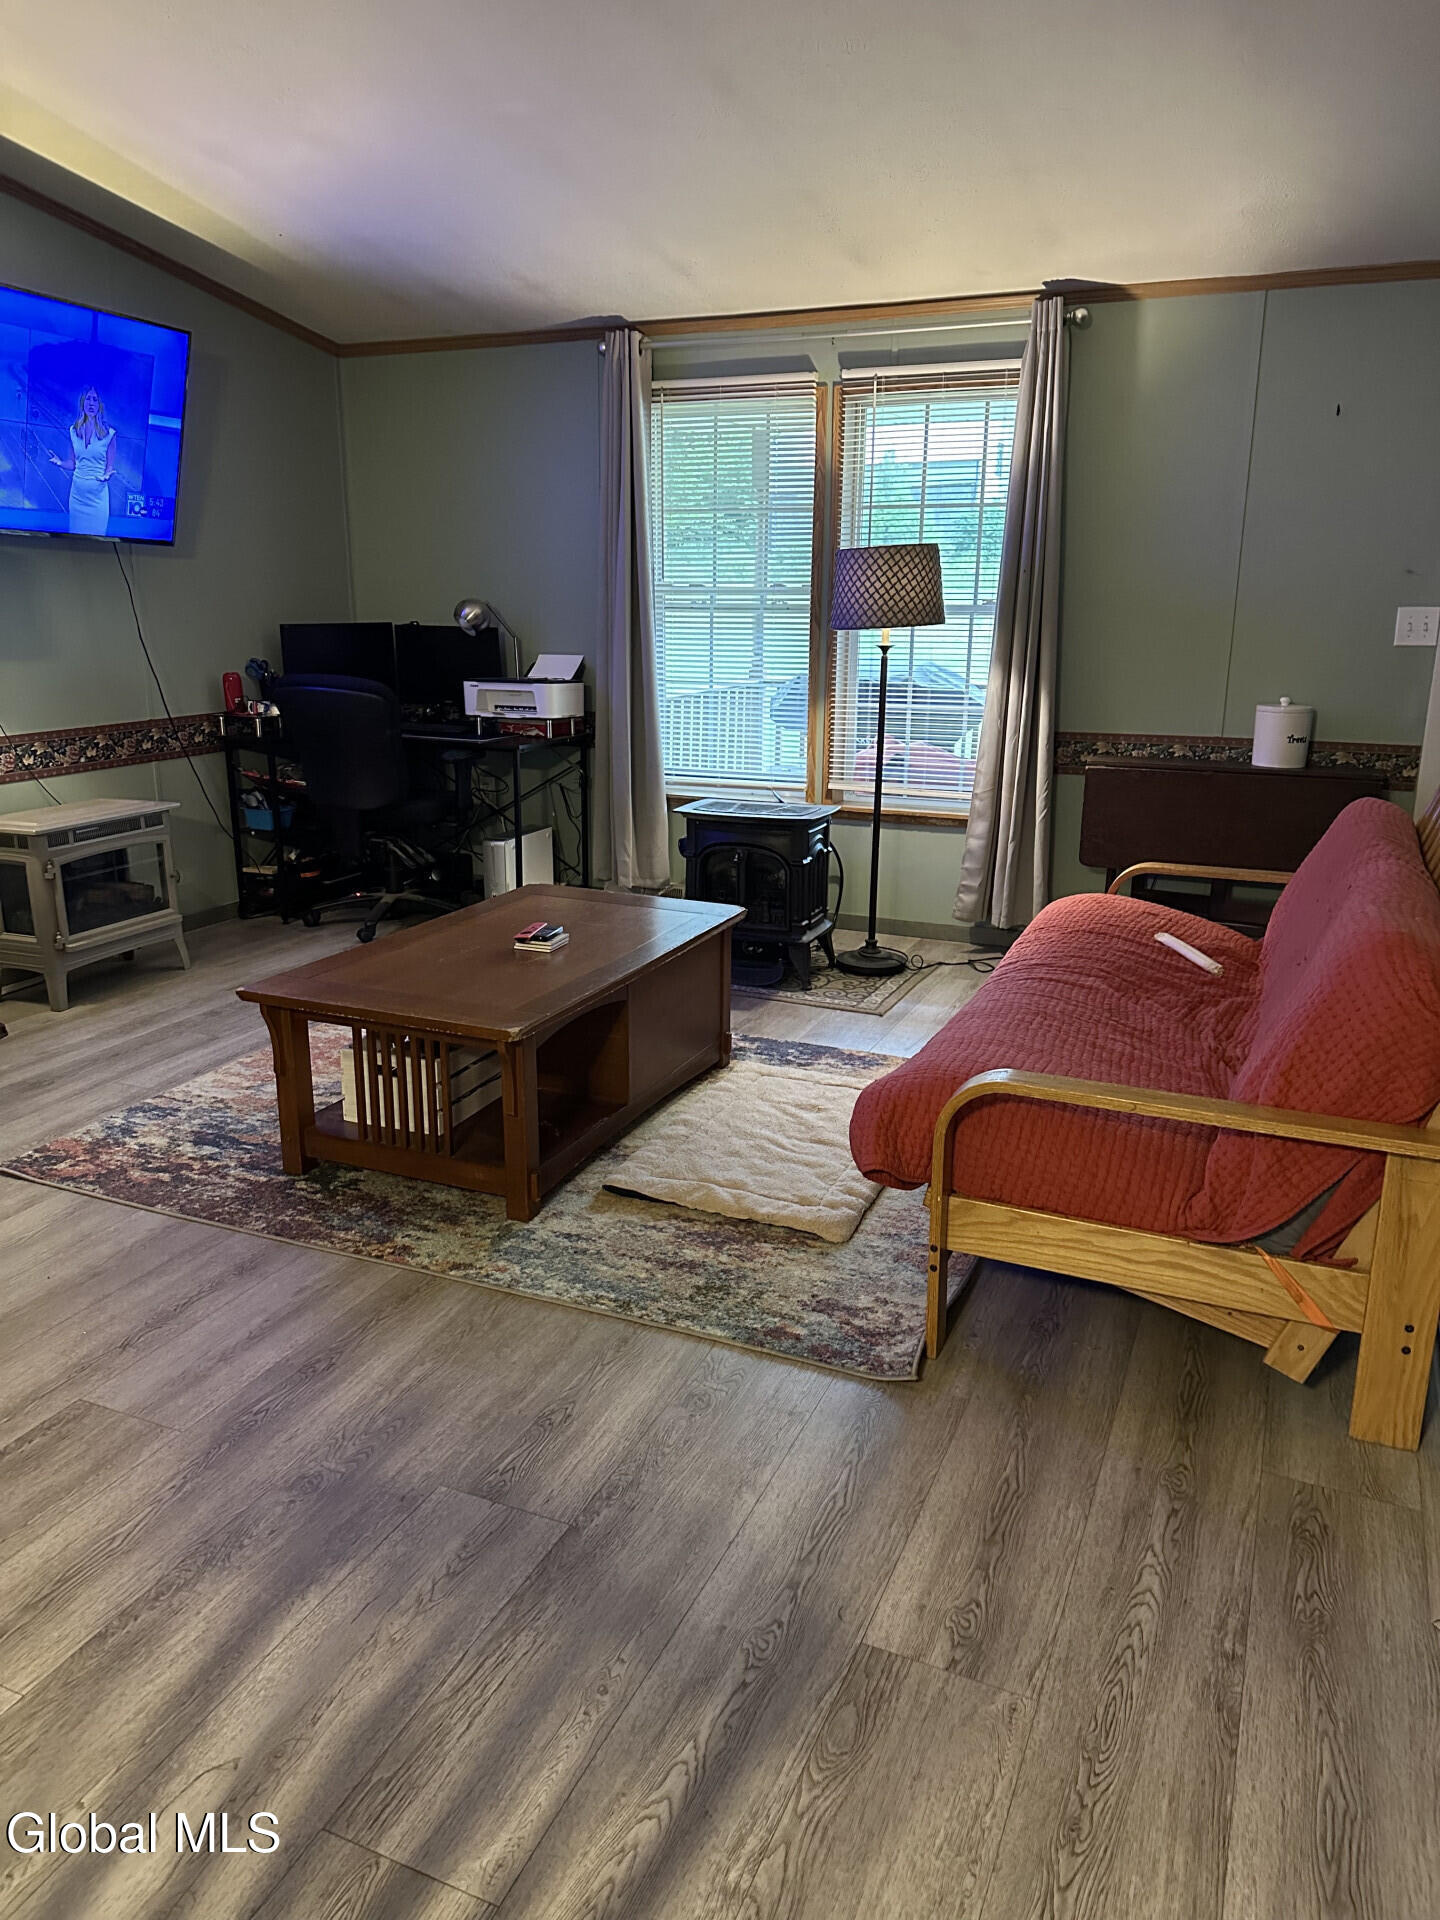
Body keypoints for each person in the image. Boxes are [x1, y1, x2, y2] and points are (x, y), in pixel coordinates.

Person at [47, 386, 116, 536]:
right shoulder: (73, 431)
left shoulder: (109, 434)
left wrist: (107, 475)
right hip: (77, 497)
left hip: (97, 499)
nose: (91, 403)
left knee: (98, 540)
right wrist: (60, 463)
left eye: (95, 400)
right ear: (82, 402)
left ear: (99, 405)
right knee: (75, 538)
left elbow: (109, 466)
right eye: (88, 399)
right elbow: (73, 463)